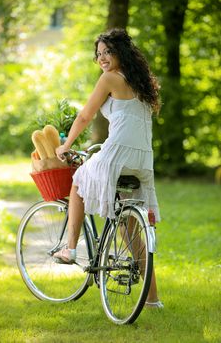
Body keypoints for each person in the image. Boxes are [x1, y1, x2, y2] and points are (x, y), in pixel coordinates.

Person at [54, 28, 163, 308]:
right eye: (99, 53)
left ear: (120, 53)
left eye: (107, 52)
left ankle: (69, 248)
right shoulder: (142, 83)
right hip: (142, 161)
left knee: (78, 180)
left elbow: (85, 115)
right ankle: (152, 300)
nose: (102, 58)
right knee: (130, 225)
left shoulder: (110, 78)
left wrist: (65, 148)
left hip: (118, 155)